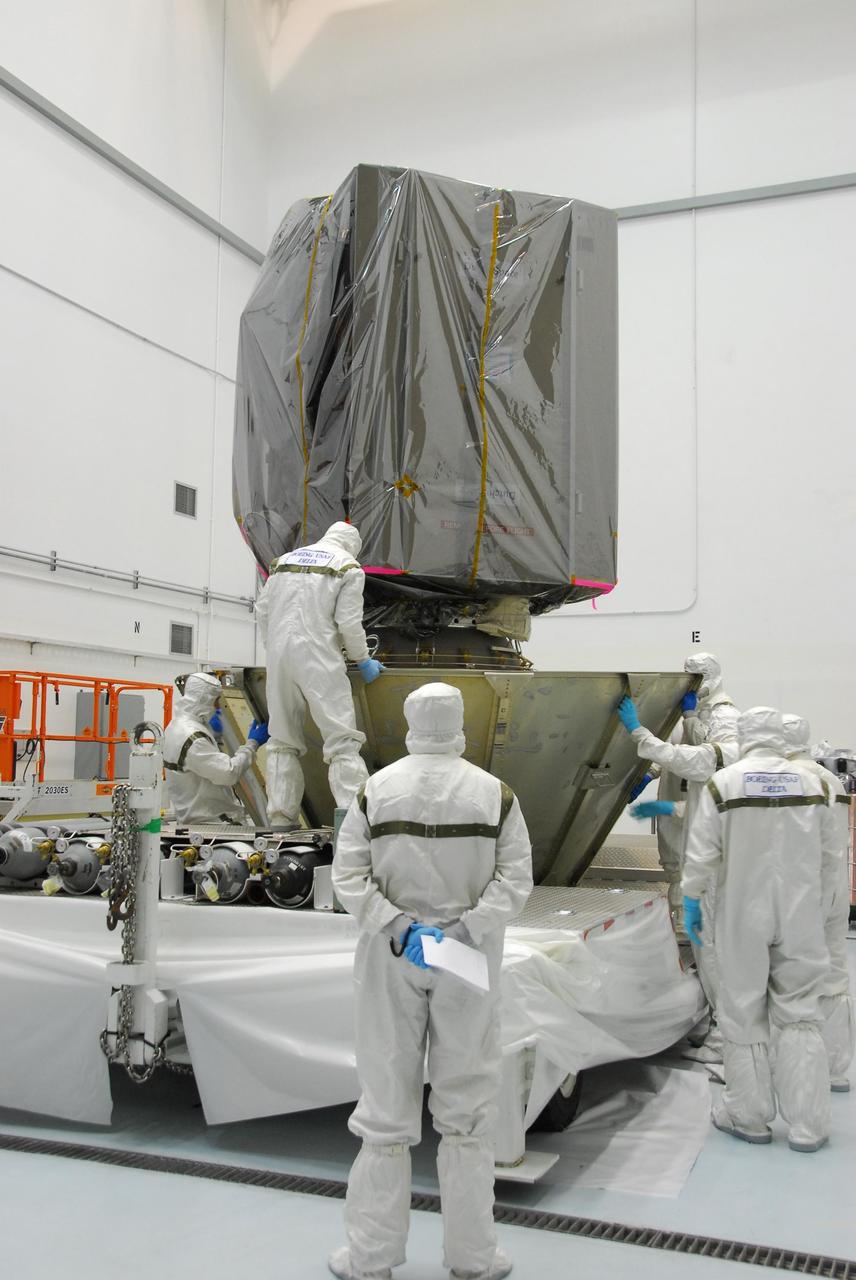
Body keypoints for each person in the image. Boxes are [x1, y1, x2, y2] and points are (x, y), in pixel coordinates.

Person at [330, 683, 533, 1280]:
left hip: (394, 958)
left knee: (386, 1109)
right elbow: (515, 879)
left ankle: (370, 1259)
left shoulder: (376, 788)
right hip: (464, 963)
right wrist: (463, 933)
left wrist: (400, 927)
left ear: (410, 721)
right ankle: (472, 1259)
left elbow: (349, 876)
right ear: (461, 722)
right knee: (467, 1110)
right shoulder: (494, 793)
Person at [681, 706, 838, 1152]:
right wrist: (824, 904)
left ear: (746, 735)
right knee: (801, 1012)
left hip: (742, 914)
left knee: (743, 1009)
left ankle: (748, 1116)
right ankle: (808, 1126)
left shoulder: (724, 784)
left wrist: (691, 899)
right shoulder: (816, 783)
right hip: (801, 913)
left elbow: (702, 853)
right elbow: (830, 854)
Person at [617, 690, 739, 1063]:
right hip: (686, 851)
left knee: (713, 949)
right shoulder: (697, 719)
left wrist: (640, 733)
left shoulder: (726, 725)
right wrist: (650, 773)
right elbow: (679, 758)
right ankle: (711, 1022)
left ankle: (725, 1036)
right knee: (699, 944)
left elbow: (700, 762)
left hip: (706, 864)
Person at [255, 521, 384, 828]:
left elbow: (262, 611)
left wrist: (272, 647)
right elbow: (349, 624)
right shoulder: (348, 567)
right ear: (352, 545)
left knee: (282, 738)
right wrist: (363, 659)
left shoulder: (284, 562)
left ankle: (280, 818)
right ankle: (355, 820)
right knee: (341, 740)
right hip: (318, 659)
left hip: (279, 657)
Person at [783, 713, 854, 1092]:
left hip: (803, 890)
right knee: (835, 976)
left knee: (796, 984)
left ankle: (801, 1079)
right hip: (834, 889)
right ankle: (837, 1069)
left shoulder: (788, 780)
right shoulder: (830, 778)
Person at [163, 672, 269, 824]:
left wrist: (212, 734)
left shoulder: (176, 726)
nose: (219, 706)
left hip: (197, 821)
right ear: (204, 699)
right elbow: (228, 773)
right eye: (216, 700)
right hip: (211, 823)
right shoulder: (194, 738)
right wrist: (253, 743)